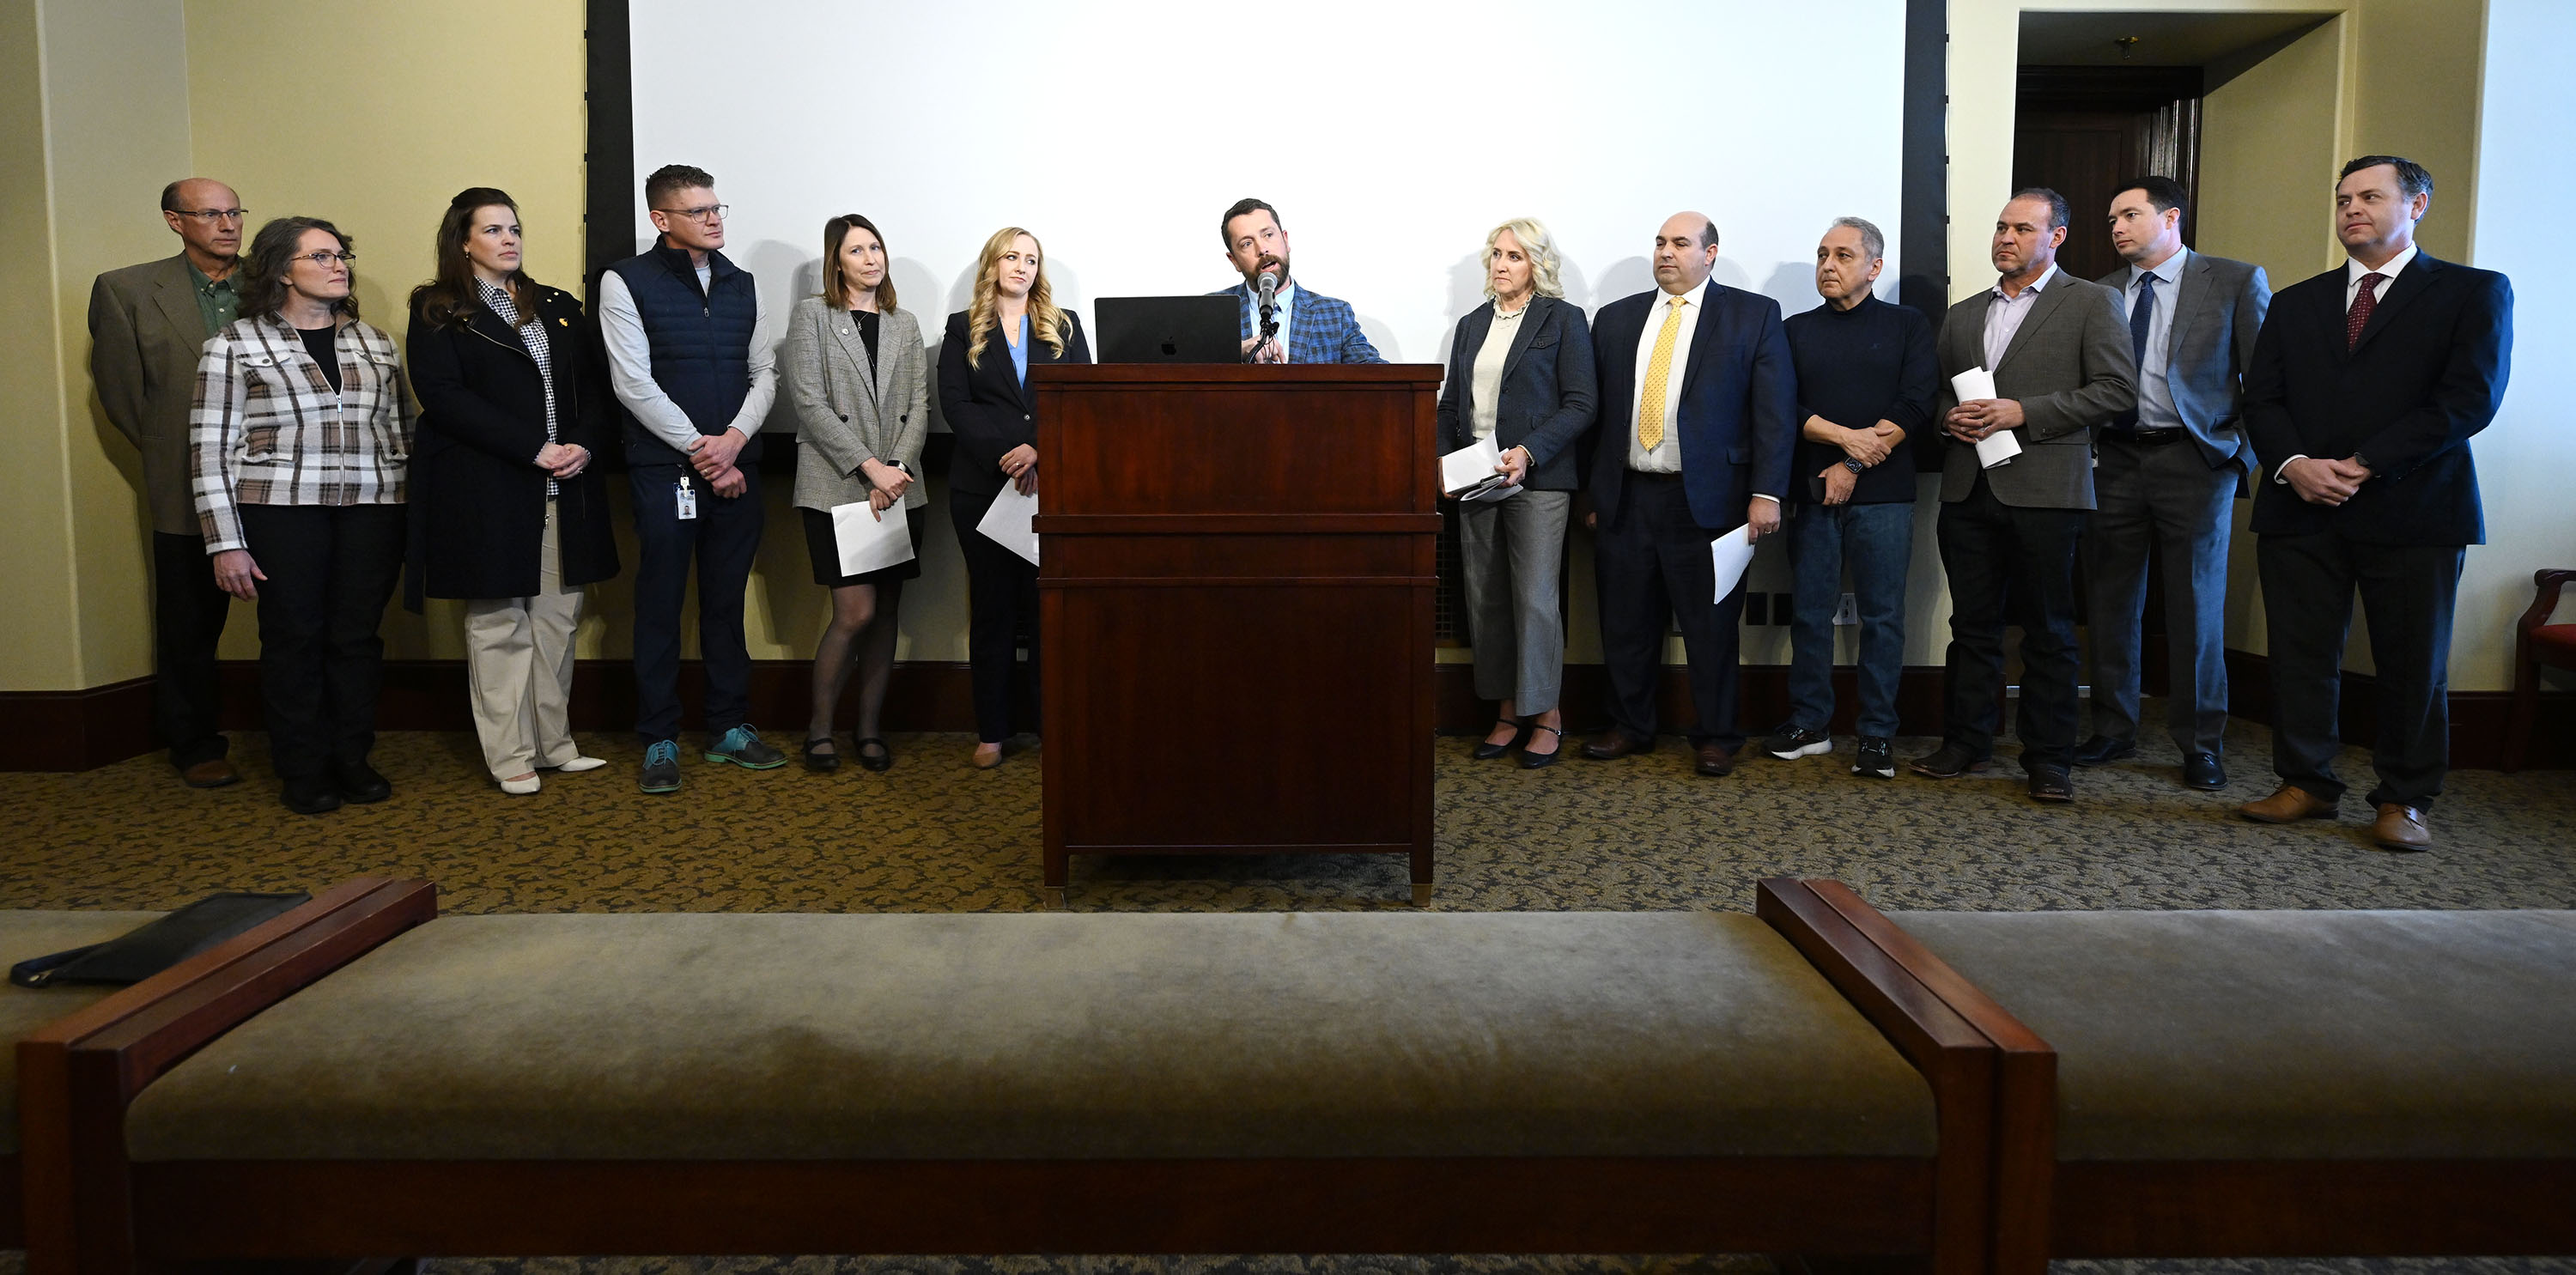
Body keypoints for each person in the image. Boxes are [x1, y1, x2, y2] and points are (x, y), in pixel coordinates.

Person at [2237, 155, 2512, 853]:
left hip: (2416, 506)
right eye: (2342, 199)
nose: (2352, 209)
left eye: (2369, 196)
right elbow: (2260, 400)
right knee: (2300, 655)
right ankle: (2305, 783)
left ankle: (2404, 798)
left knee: (2412, 661)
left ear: (2416, 205)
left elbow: (2468, 400)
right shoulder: (2297, 301)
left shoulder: (2472, 292)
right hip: (2301, 505)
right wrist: (2295, 465)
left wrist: (2363, 465)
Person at [1911, 189, 2135, 803]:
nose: (2005, 238)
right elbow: (1934, 397)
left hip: (2046, 491)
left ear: (2056, 236)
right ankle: (1966, 742)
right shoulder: (1961, 313)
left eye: (2022, 228)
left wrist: (2023, 411)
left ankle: (2049, 757)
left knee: (2049, 631)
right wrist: (1945, 421)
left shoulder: (2093, 302)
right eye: (2001, 227)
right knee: (1972, 626)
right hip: (1967, 487)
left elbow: (2117, 391)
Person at [190, 216, 410, 816]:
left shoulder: (376, 342)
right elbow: (209, 450)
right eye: (321, 256)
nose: (339, 265)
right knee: (294, 638)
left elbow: (401, 431)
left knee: (356, 639)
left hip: (371, 509)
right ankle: (303, 767)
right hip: (282, 511)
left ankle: (352, 758)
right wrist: (224, 544)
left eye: (342, 254)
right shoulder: (234, 344)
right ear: (283, 269)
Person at [404, 187, 621, 795]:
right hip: (490, 486)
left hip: (565, 483)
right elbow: (444, 399)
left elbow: (595, 389)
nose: (509, 240)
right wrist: (532, 448)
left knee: (557, 619)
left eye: (515, 229)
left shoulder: (555, 303)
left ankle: (554, 744)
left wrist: (581, 442)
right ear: (464, 241)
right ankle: (510, 756)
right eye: (494, 229)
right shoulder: (439, 308)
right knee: (500, 623)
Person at [1580, 211, 1795, 777]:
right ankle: (1630, 724)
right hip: (1627, 493)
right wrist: (1595, 493)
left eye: (1680, 243)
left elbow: (1773, 415)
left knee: (1711, 627)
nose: (1666, 253)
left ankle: (1718, 734)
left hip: (1709, 500)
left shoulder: (1752, 315)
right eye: (1659, 243)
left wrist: (1767, 492)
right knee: (1625, 622)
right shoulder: (1617, 319)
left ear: (1711, 253)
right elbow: (1595, 414)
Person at [2077, 176, 2271, 791]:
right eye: (2111, 218)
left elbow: (2266, 382)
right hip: (2113, 461)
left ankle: (2200, 743)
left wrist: (2237, 457)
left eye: (2129, 215)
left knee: (2195, 606)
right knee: (2110, 601)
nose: (2116, 227)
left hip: (2195, 461)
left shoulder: (2235, 281)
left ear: (2171, 219)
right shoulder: (2098, 293)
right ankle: (2112, 727)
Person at [600, 163, 783, 794]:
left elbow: (764, 375)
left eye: (717, 208)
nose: (714, 219)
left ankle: (730, 725)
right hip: (664, 473)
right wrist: (702, 452)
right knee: (660, 604)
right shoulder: (626, 281)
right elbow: (632, 383)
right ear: (661, 220)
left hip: (737, 469)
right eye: (700, 211)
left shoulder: (743, 283)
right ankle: (659, 736)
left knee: (725, 604)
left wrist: (732, 443)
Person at [1759, 217, 1938, 780]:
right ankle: (1810, 721)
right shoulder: (1795, 330)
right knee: (1810, 611)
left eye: (1842, 255)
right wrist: (1844, 441)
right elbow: (1784, 409)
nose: (1828, 266)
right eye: (1821, 255)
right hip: (1814, 492)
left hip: (1884, 496)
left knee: (1883, 615)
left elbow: (1916, 404)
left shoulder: (1908, 324)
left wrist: (1854, 463)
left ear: (1874, 267)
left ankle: (1877, 733)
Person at [89, 178, 247, 789]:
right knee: (188, 618)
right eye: (210, 214)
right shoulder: (126, 289)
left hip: (279, 475)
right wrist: (179, 451)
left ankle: (304, 737)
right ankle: (195, 743)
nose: (227, 224)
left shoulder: (276, 281)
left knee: (297, 615)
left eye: (234, 212)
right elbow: (125, 397)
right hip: (182, 478)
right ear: (174, 221)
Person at [1435, 218, 1597, 768]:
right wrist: (1442, 465)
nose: (1501, 265)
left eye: (1515, 256)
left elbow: (1581, 404)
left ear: (1537, 265)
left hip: (1536, 481)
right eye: (1497, 255)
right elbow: (1451, 407)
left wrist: (1528, 452)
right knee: (1487, 602)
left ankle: (1546, 715)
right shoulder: (1472, 324)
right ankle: (1506, 713)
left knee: (1534, 601)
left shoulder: (1562, 319)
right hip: (1476, 480)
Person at [781, 213, 928, 774]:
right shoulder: (813, 316)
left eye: (876, 248)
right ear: (835, 260)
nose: (871, 258)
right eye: (857, 250)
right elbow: (810, 404)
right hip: (838, 486)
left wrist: (894, 468)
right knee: (855, 612)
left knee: (887, 611)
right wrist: (871, 469)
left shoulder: (904, 323)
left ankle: (869, 730)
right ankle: (820, 729)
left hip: (899, 486)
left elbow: (919, 405)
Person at [941, 227, 1091, 768]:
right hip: (982, 489)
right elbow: (956, 405)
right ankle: (992, 731)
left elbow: (1082, 399)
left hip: (1051, 487)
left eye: (1031, 259)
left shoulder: (1065, 327)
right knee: (993, 612)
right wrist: (1008, 453)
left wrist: (1038, 449)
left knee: (1047, 611)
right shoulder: (963, 329)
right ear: (993, 264)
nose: (1022, 267)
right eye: (1012, 256)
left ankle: (1053, 725)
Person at [1212, 197, 1385, 364]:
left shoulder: (1336, 315)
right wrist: (1236, 351)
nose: (1262, 249)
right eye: (1247, 243)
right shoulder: (1212, 310)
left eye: (1268, 235)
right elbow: (1187, 367)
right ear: (1234, 260)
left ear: (1285, 240)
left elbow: (1377, 375)